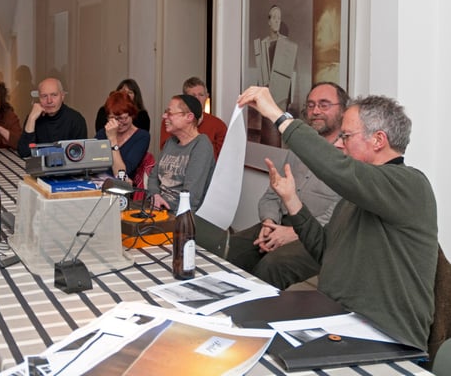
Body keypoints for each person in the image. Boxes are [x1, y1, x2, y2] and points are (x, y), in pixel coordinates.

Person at [237, 86, 437, 352]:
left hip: (384, 336)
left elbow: (338, 168)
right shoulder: (356, 198)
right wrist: (292, 201)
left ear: (378, 140)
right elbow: (325, 251)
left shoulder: (410, 185)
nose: (340, 144)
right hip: (336, 319)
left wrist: (277, 115)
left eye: (346, 136)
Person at [227, 82, 348, 289]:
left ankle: (254, 309)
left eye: (324, 104)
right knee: (231, 247)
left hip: (318, 236)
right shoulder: (298, 148)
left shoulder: (349, 153)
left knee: (273, 266)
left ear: (343, 110)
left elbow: (340, 213)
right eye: (311, 105)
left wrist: (294, 233)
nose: (315, 111)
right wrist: (268, 222)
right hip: (278, 223)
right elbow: (272, 194)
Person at [149, 94, 215, 212]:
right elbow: (154, 176)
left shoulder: (201, 145)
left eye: (169, 113)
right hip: (157, 209)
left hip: (179, 215)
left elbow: (191, 196)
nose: (164, 116)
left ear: (189, 117)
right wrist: (155, 195)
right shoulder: (170, 142)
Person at [17, 77, 87, 158]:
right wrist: (31, 118)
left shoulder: (76, 120)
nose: (49, 101)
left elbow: (80, 155)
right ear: (39, 98)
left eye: (54, 95)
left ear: (62, 96)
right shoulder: (34, 117)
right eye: (44, 96)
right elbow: (24, 152)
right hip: (39, 164)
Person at [159, 77, 226, 160]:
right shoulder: (170, 121)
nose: (197, 99)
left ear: (207, 96)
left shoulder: (218, 125)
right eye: (193, 96)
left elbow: (222, 158)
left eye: (201, 95)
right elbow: (166, 152)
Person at [95, 91, 150, 180]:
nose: (118, 123)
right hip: (97, 182)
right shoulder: (102, 134)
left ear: (132, 115)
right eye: (113, 118)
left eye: (122, 118)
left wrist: (112, 140)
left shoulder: (142, 136)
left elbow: (121, 174)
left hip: (122, 185)